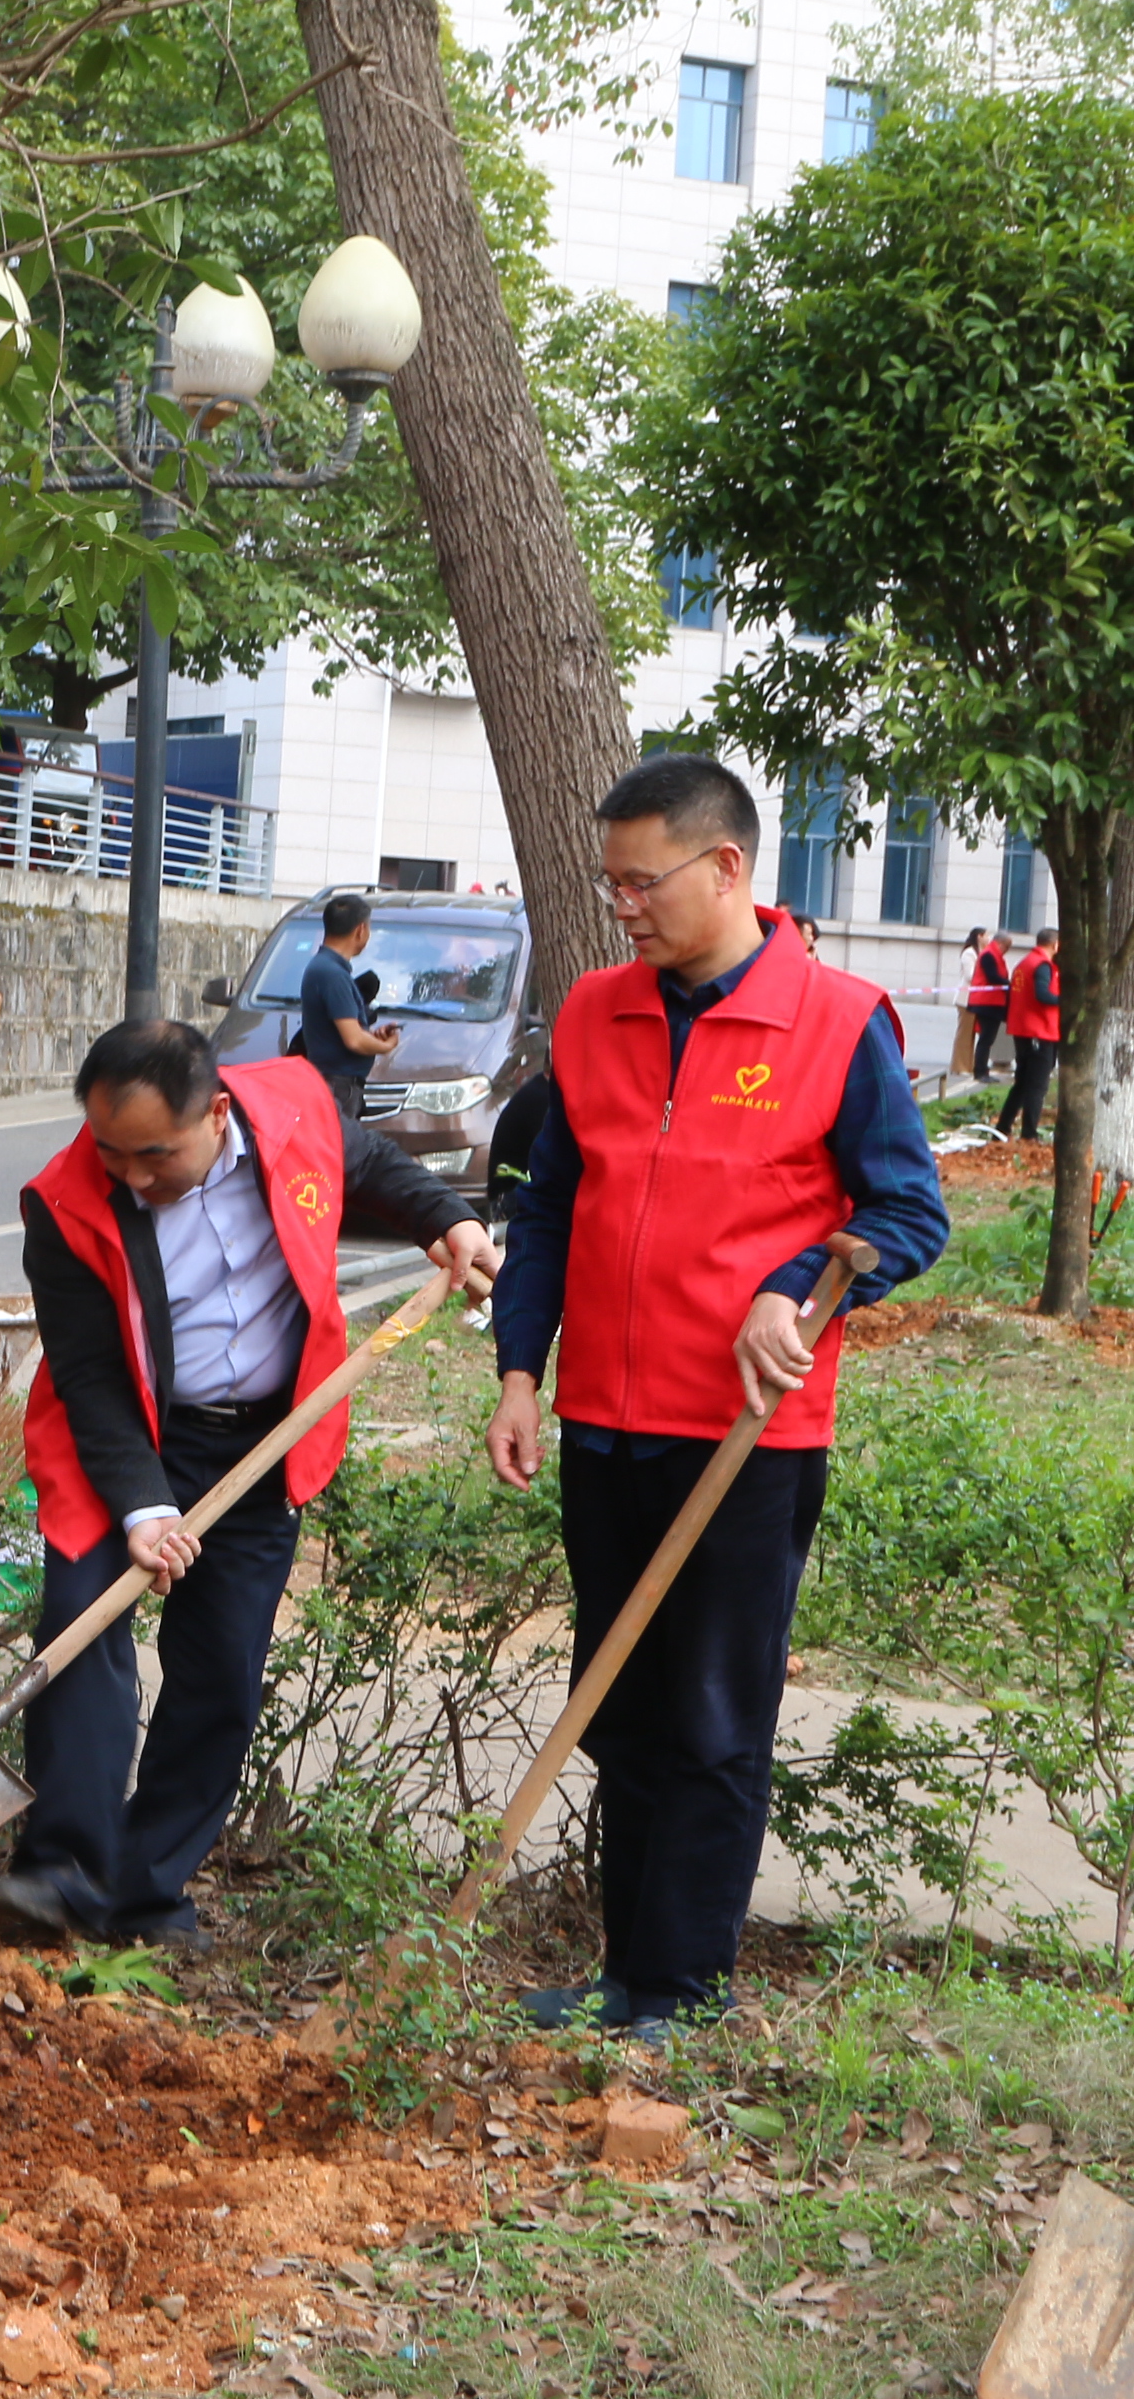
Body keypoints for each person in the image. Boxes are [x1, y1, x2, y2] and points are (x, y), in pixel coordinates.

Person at [486, 753, 948, 2039]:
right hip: (607, 1421)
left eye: (643, 881)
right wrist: (522, 1371)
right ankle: (623, 1969)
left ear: (727, 865)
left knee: (709, 1711)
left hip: (748, 1436)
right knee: (618, 1699)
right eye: (610, 882)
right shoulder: (593, 1014)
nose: (622, 904)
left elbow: (907, 1212)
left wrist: (796, 1281)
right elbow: (551, 1209)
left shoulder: (839, 1019)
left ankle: (683, 1985)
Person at [0, 1022, 495, 1953]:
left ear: (216, 1114)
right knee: (79, 1628)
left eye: (154, 1155)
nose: (131, 1175)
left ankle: (142, 1894)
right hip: (124, 1438)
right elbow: (91, 1375)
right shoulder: (64, 1203)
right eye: (111, 1151)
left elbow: (368, 1160)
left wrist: (446, 1217)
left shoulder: (295, 1103)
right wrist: (143, 1508)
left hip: (265, 1441)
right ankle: (62, 1869)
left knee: (221, 1675)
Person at [293, 893, 399, 1118]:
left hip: (335, 1084)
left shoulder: (324, 968)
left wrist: (373, 1037)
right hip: (338, 1087)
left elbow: (345, 1031)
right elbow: (353, 1039)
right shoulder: (332, 974)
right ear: (361, 930)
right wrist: (386, 1046)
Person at [1001, 928, 1062, 1141]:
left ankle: (1003, 1127)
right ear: (1055, 945)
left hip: (1023, 1029)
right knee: (1037, 1085)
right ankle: (1029, 1133)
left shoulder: (1024, 963)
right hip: (1039, 1030)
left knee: (1022, 1082)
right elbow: (1043, 995)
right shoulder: (1042, 966)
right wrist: (1066, 999)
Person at [960, 929, 1010, 1085]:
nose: (1008, 950)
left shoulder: (994, 954)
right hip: (987, 1002)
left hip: (991, 1002)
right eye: (1008, 946)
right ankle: (980, 1071)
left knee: (987, 1038)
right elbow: (993, 977)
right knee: (986, 1039)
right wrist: (1011, 985)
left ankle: (981, 1070)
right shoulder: (990, 955)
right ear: (1000, 943)